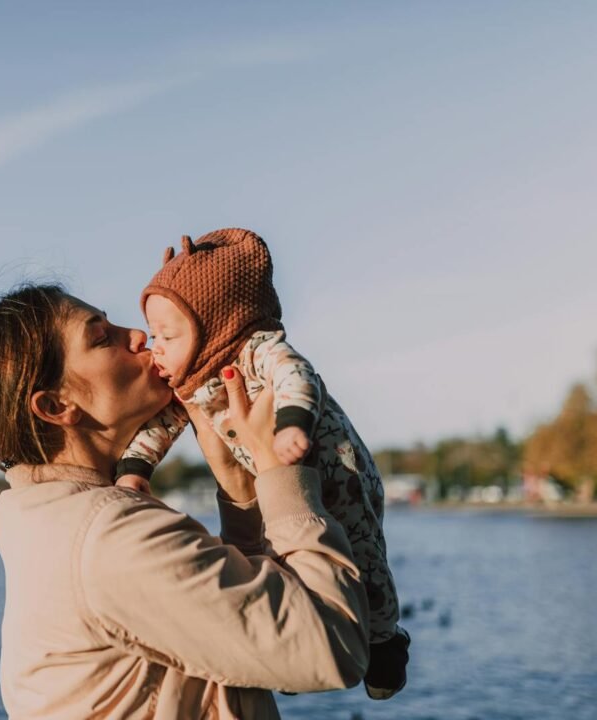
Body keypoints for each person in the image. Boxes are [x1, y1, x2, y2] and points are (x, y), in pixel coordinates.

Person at [0, 283, 373, 719]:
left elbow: (256, 648)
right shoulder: (110, 537)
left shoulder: (47, 520)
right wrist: (278, 467)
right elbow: (334, 646)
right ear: (56, 405)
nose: (138, 336)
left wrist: (238, 490)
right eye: (102, 337)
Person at [113, 228, 409, 699]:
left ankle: (385, 638)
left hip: (338, 471)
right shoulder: (187, 383)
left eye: (168, 334)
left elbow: (295, 373)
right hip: (281, 483)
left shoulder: (254, 350)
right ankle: (294, 652)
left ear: (217, 325)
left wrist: (292, 423)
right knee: (280, 554)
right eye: (154, 334)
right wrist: (135, 469)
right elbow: (159, 427)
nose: (157, 347)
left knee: (363, 552)